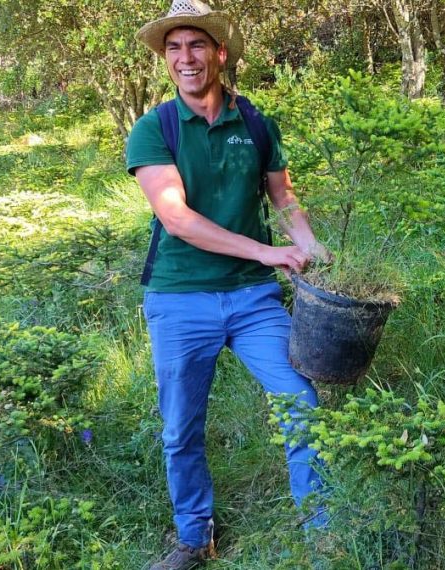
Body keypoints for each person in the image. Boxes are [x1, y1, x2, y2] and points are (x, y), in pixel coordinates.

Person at [126, 2, 328, 568]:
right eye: (174, 48)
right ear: (166, 59)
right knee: (181, 426)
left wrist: (308, 245)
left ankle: (325, 528)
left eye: (196, 45)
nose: (185, 59)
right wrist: (268, 251)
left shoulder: (257, 122)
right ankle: (195, 537)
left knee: (301, 401)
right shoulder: (154, 128)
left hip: (253, 298)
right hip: (179, 298)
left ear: (219, 52)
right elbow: (178, 219)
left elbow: (283, 198)